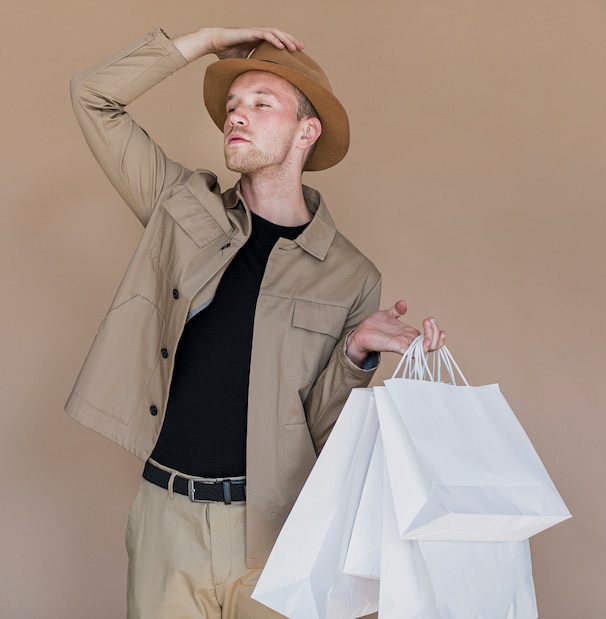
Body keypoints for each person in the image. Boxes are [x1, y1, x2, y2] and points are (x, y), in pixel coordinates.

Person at [67, 26, 445, 619]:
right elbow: (92, 96)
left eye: (261, 104)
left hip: (281, 528)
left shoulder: (351, 275)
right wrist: (205, 40)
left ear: (306, 131)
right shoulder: (179, 205)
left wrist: (356, 355)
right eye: (232, 106)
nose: (236, 117)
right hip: (169, 520)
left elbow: (321, 430)